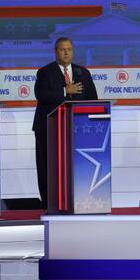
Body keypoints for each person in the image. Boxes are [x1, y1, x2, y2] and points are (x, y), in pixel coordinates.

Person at [33, 37, 99, 207]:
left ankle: (77, 200)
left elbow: (93, 100)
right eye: (62, 49)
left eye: (69, 49)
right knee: (48, 166)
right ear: (56, 52)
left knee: (76, 167)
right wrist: (65, 90)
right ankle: (50, 203)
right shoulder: (45, 72)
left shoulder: (82, 72)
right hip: (48, 129)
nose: (66, 52)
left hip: (76, 128)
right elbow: (41, 95)